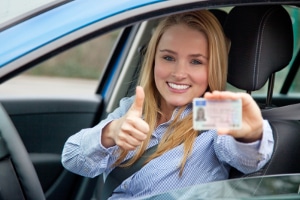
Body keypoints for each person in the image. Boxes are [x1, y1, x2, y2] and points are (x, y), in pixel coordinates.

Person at [61, 10, 274, 199]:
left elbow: (249, 159)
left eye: (196, 61)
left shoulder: (213, 112)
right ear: (153, 60)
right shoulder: (133, 109)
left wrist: (251, 135)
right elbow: (72, 158)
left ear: (213, 68)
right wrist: (110, 133)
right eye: (168, 58)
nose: (179, 73)